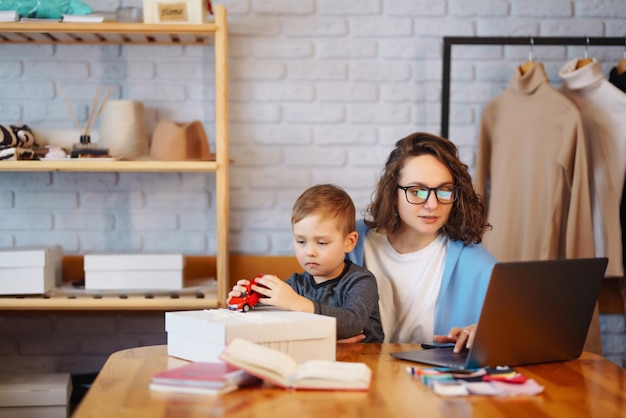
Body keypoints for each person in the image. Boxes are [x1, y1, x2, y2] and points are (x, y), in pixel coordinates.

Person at [347, 132, 497, 352]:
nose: (432, 204)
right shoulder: (350, 242)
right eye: (417, 191)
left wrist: (485, 332)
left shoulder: (478, 263)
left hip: (433, 378)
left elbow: (521, 328)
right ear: (393, 192)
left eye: (444, 191)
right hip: (358, 370)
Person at [227, 184, 385, 343]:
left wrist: (298, 304)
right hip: (317, 355)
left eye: (322, 243)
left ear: (349, 242)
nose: (310, 252)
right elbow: (271, 314)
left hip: (364, 357)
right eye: (301, 241)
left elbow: (353, 322)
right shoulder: (296, 284)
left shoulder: (362, 281)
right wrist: (243, 302)